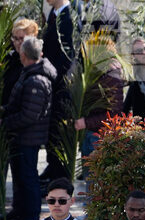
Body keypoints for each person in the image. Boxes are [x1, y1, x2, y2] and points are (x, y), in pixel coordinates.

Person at [3, 37, 56, 220]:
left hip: (28, 138)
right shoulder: (31, 74)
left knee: (28, 179)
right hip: (22, 137)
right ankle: (20, 214)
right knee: (20, 179)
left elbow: (29, 114)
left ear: (23, 55)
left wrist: (7, 122)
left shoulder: (36, 79)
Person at [74, 33, 124, 168]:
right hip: (90, 134)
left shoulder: (111, 76)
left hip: (99, 136)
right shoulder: (96, 73)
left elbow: (115, 114)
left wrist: (86, 122)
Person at [41, 0, 76, 183]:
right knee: (51, 133)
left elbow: (68, 56)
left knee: (58, 133)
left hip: (61, 86)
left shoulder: (70, 15)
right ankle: (52, 167)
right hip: (50, 86)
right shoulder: (52, 16)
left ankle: (58, 176)